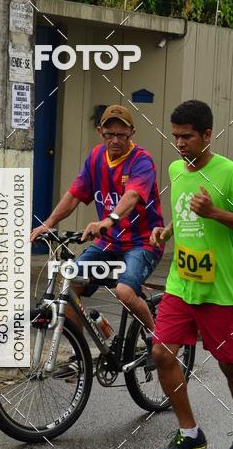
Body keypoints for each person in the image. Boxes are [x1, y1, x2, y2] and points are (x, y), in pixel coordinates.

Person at [149, 99, 233, 449]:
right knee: (161, 353)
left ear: (206, 135)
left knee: (228, 364)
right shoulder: (175, 169)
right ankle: (190, 433)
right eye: (175, 137)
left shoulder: (230, 173)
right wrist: (166, 231)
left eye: (187, 137)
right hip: (182, 283)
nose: (180, 144)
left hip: (220, 289)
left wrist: (216, 212)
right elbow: (185, 209)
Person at [31, 104, 164, 334]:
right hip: (109, 243)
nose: (115, 140)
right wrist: (49, 223)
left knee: (124, 292)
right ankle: (80, 357)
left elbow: (132, 196)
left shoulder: (142, 161)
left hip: (142, 243)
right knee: (70, 286)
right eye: (109, 134)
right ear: (100, 131)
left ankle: (158, 343)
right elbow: (74, 194)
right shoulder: (95, 158)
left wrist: (108, 221)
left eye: (121, 135)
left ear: (132, 132)